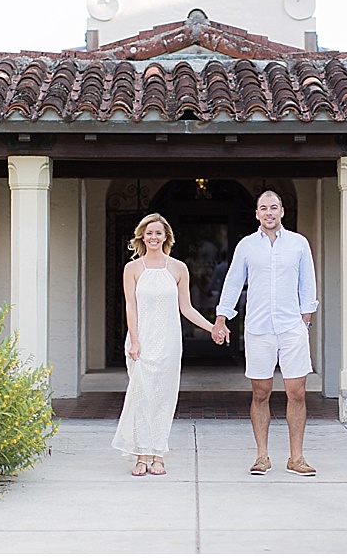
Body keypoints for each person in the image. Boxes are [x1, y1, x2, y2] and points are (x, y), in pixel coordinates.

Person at [211, 190, 319, 476]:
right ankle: (262, 456)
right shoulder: (246, 246)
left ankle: (296, 457)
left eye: (274, 207)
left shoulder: (298, 244)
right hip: (259, 330)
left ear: (282, 211)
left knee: (297, 392)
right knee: (261, 393)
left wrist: (304, 323)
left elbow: (308, 285)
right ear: (257, 214)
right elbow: (233, 283)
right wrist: (221, 319)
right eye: (263, 208)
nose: (269, 212)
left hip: (292, 328)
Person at [111, 213, 217, 476]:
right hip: (141, 344)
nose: (154, 237)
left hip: (169, 343)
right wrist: (134, 340)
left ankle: (158, 454)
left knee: (163, 399)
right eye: (149, 233)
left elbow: (187, 308)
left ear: (166, 236)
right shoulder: (132, 269)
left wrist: (212, 326)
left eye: (158, 233)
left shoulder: (178, 268)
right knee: (140, 397)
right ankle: (140, 455)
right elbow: (131, 306)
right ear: (142, 237)